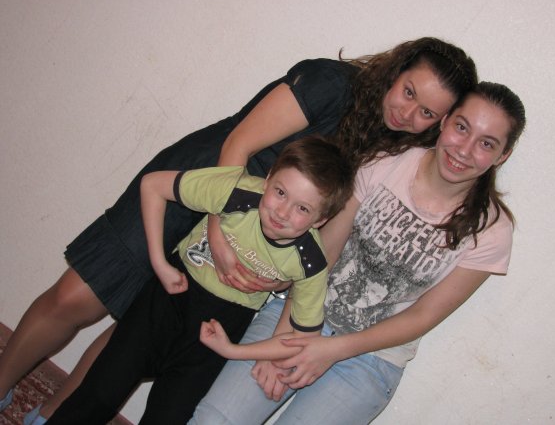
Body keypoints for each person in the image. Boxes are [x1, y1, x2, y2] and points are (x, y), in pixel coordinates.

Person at [0, 37, 477, 424]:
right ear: (396, 69)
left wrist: (278, 269)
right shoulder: (332, 84)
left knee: (138, 327)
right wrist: (218, 232)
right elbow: (240, 141)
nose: (409, 114)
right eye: (409, 92)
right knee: (77, 296)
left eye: (427, 113)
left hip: (257, 229)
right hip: (201, 185)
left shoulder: (392, 151)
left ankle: (51, 414)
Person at [188, 81, 527, 425]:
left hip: (371, 358)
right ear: (445, 121)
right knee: (213, 421)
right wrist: (281, 341)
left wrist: (333, 350)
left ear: (503, 156)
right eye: (461, 127)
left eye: (487, 143)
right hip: (302, 313)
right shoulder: (386, 163)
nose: (464, 149)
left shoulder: (491, 232)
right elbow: (322, 255)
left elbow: (422, 316)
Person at [45, 136, 354, 425]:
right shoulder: (238, 192)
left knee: (167, 419)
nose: (282, 212)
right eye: (280, 192)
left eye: (302, 208)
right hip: (168, 299)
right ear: (269, 177)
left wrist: (232, 351)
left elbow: (301, 341)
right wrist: (159, 263)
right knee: (99, 393)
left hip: (217, 333)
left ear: (320, 220)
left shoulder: (311, 263)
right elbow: (153, 185)